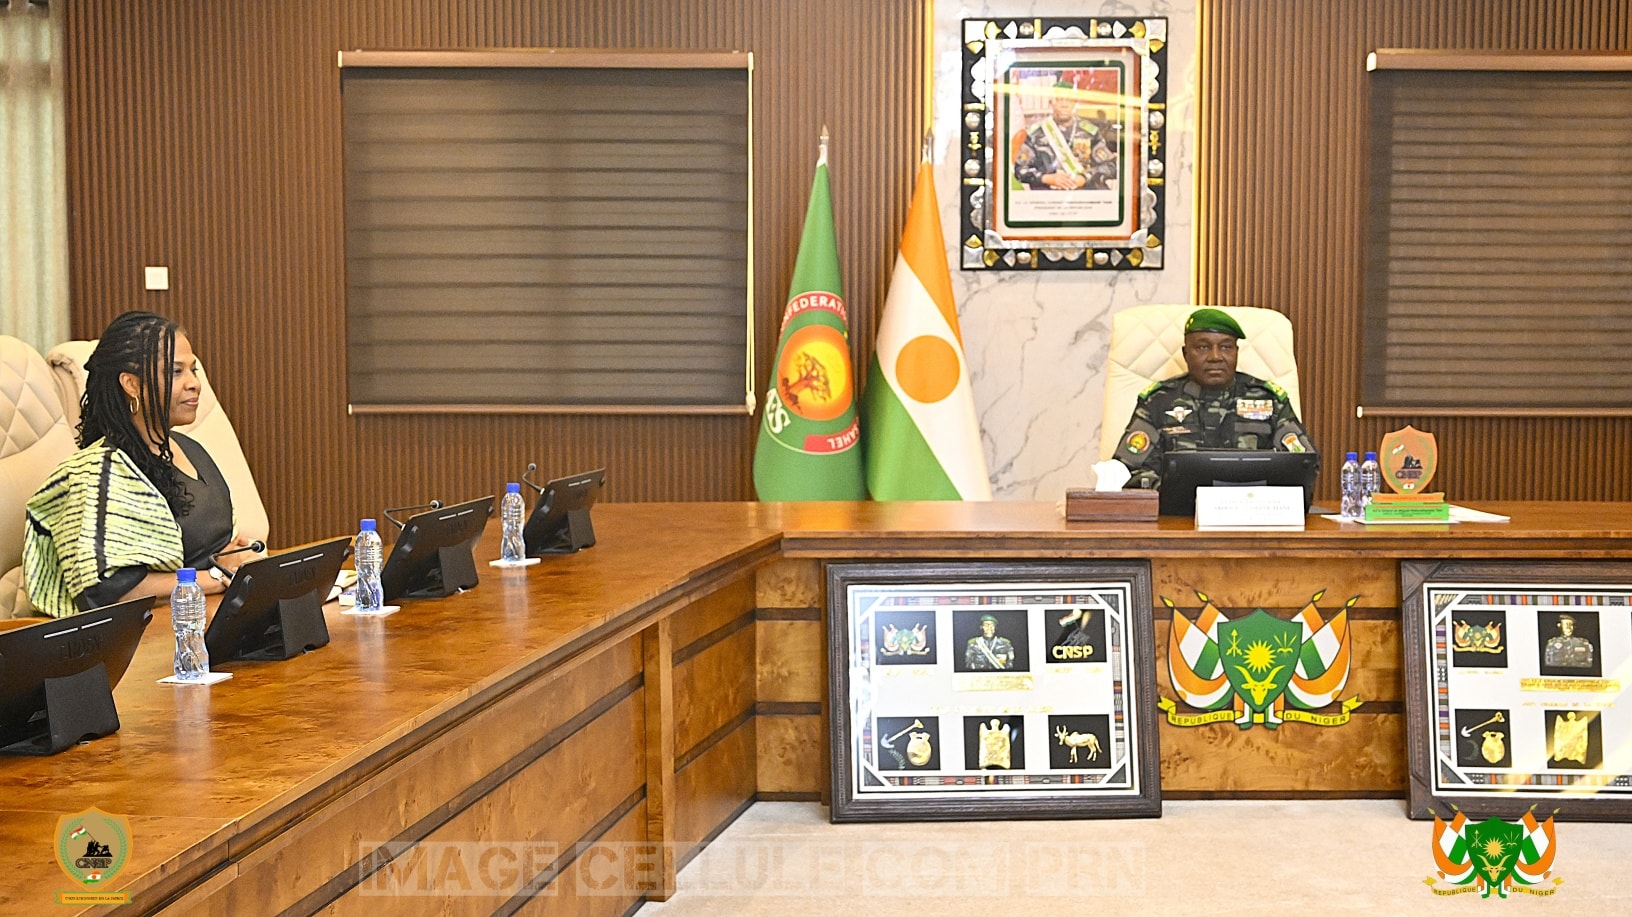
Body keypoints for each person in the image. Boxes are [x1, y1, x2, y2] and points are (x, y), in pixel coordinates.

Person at [23, 311, 259, 618]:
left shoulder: (192, 449)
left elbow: (225, 546)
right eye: (175, 372)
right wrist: (215, 578)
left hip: (220, 617)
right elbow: (106, 591)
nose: (194, 384)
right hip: (156, 642)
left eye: (194, 370)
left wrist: (236, 560)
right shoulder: (96, 474)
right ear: (131, 384)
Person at [1111, 307, 1318, 489]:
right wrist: (1177, 494)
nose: (1215, 356)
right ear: (1185, 354)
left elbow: (1304, 464)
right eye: (1203, 347)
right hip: (1179, 522)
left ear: (1236, 352)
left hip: (1252, 520)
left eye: (1226, 347)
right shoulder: (1158, 401)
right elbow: (1127, 471)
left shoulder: (1270, 401)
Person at [1013, 81, 1115, 191]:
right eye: (1059, 99)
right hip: (1047, 201)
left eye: (1069, 100)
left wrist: (1085, 177)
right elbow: (1020, 170)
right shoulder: (1035, 134)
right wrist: (1046, 178)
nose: (1064, 105)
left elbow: (1111, 166)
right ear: (1051, 102)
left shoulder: (1089, 132)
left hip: (1085, 199)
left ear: (1075, 103)